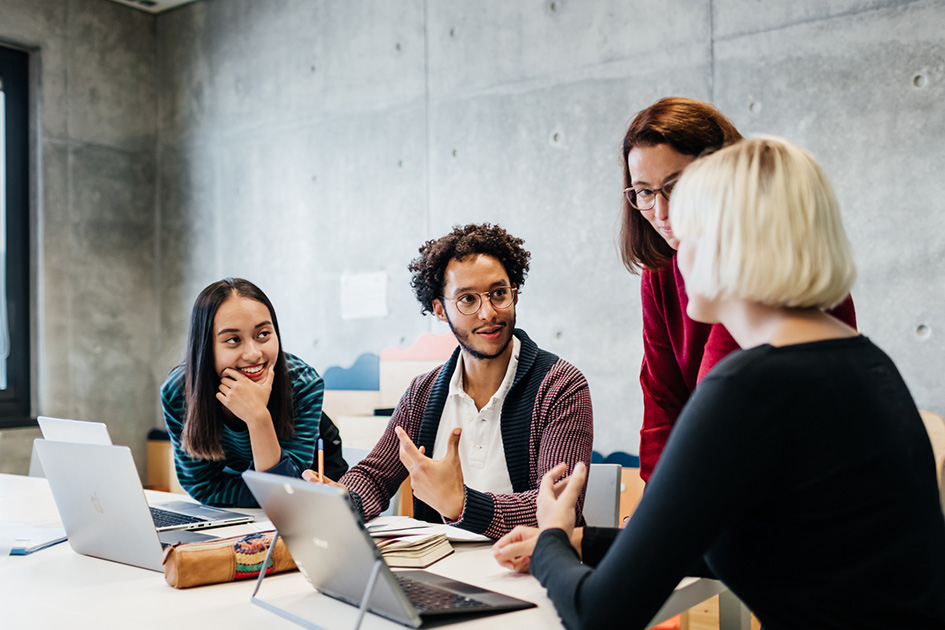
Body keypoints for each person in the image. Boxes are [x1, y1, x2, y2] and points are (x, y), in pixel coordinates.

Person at [494, 137, 945, 629]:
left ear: (726, 247)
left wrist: (554, 539)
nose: (677, 262)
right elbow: (764, 543)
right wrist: (580, 543)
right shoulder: (861, 360)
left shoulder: (749, 389)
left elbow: (598, 614)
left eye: (687, 239)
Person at [620, 97, 858, 482]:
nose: (662, 215)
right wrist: (658, 499)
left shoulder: (776, 274)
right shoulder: (662, 270)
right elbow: (662, 400)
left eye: (676, 186)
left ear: (722, 184)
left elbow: (720, 407)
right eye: (644, 192)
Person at [304, 223, 593, 540]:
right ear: (440, 310)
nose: (487, 313)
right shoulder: (422, 393)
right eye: (467, 299)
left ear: (515, 293)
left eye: (499, 294)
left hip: (530, 570)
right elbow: (375, 474)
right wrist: (345, 499)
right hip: (440, 568)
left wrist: (462, 505)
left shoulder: (560, 386)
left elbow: (560, 504)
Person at [162, 278, 327, 508]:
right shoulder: (178, 392)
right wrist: (265, 492)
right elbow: (202, 485)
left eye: (263, 334)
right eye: (233, 340)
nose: (252, 354)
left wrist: (258, 417)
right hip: (253, 497)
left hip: (318, 479)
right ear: (206, 348)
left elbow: (288, 493)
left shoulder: (303, 384)